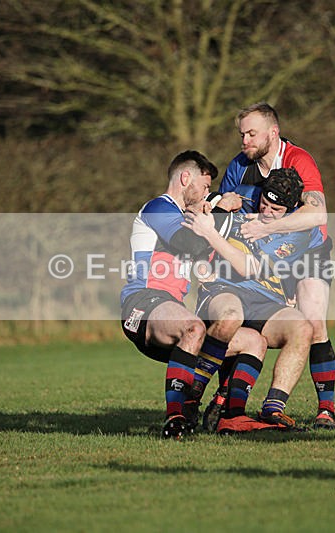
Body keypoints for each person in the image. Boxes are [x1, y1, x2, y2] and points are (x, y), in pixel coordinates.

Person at [213, 103, 335, 430]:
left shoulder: (298, 159)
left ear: (273, 132)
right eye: (242, 134)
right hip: (261, 253)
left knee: (313, 322)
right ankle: (225, 399)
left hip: (307, 252)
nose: (245, 141)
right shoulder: (239, 166)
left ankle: (326, 410)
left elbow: (317, 214)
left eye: (252, 134)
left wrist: (266, 227)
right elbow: (224, 217)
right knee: (243, 324)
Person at [184, 168, 316, 433]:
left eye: (276, 209)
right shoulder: (244, 195)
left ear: (290, 210)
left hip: (265, 298)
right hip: (222, 287)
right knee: (231, 315)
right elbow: (193, 210)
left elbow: (248, 268)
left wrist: (211, 234)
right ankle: (191, 396)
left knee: (302, 328)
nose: (266, 211)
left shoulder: (298, 233)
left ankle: (272, 409)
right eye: (264, 203)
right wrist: (221, 202)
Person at [120, 150, 217, 440]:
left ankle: (228, 412)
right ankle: (176, 419)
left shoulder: (186, 217)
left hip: (169, 307)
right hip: (142, 303)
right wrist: (219, 209)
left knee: (248, 341)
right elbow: (191, 242)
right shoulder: (158, 208)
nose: (206, 193)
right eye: (205, 186)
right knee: (194, 327)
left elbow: (205, 261)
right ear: (186, 178)